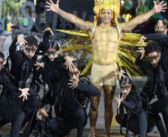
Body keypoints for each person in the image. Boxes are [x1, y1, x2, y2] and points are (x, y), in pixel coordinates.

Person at [46, 0, 167, 136]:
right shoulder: (92, 28)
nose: (106, 15)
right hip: (97, 68)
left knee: (109, 103)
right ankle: (92, 132)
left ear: (113, 14)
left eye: (109, 13)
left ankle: (107, 132)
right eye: (103, 12)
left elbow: (137, 21)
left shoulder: (119, 29)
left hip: (111, 69)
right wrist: (58, 10)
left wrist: (153, 11)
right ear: (99, 13)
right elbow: (74, 19)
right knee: (94, 103)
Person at [36, 63, 100, 137]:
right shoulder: (61, 83)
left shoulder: (83, 81)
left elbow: (96, 91)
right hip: (63, 119)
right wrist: (41, 108)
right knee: (49, 125)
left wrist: (79, 85)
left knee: (80, 113)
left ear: (79, 71)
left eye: (76, 73)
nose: (73, 76)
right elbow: (49, 97)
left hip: (77, 119)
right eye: (71, 74)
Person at [116, 72, 167, 137]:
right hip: (134, 118)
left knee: (144, 116)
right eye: (122, 88)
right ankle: (136, 131)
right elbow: (121, 110)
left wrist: (122, 102)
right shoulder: (122, 95)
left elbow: (132, 105)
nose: (125, 91)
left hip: (144, 118)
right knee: (119, 117)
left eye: (127, 88)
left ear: (131, 85)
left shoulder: (134, 94)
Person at [136, 41, 168, 133]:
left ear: (160, 54)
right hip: (163, 100)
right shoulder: (152, 66)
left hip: (166, 101)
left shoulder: (164, 64)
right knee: (153, 110)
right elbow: (138, 63)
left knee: (155, 109)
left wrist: (146, 36)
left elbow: (165, 38)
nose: (153, 61)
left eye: (155, 58)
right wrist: (141, 55)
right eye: (150, 59)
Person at [0, 51, 30, 137]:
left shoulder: (3, 76)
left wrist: (24, 91)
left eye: (0, 63)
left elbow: (11, 88)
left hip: (13, 109)